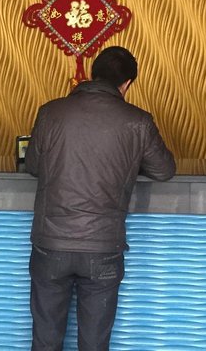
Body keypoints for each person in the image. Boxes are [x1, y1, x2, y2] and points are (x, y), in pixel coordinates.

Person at [26, 46, 176, 351]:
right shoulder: (138, 121)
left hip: (51, 244)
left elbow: (33, 166)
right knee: (95, 344)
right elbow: (164, 170)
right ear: (127, 84)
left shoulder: (50, 112)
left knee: (45, 341)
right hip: (103, 247)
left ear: (93, 75)